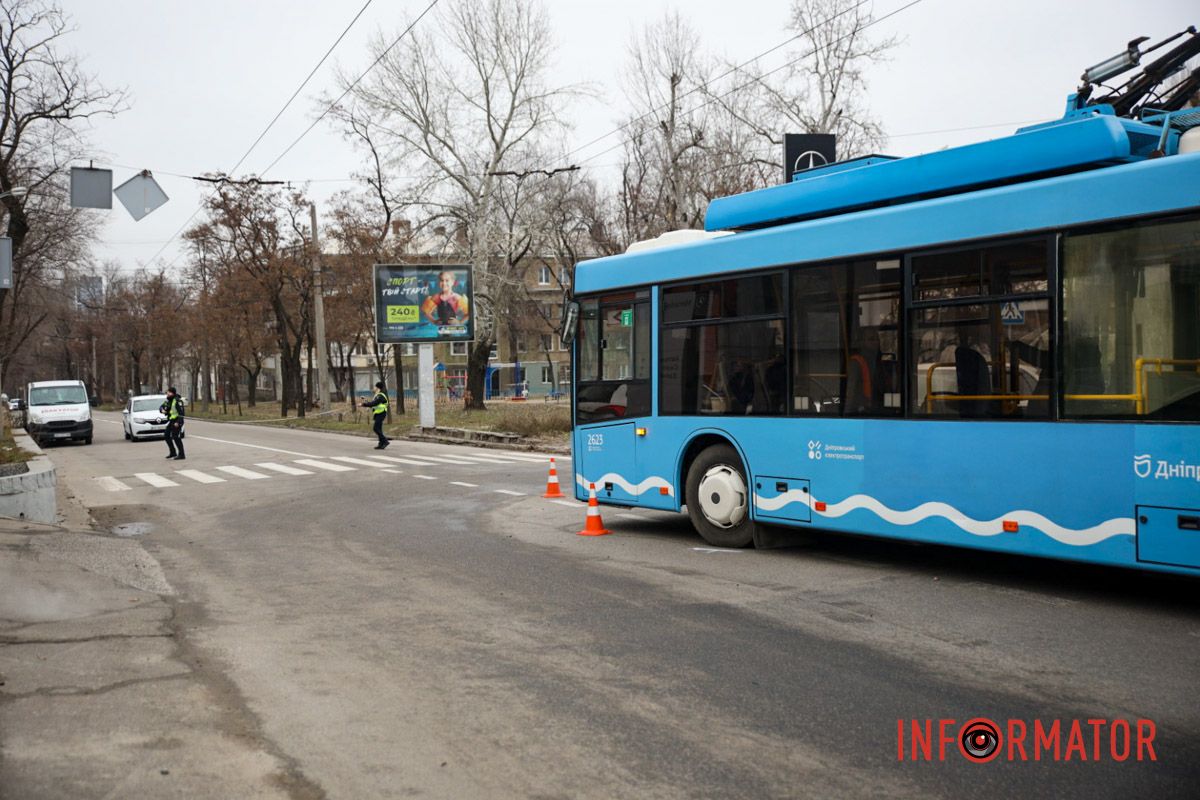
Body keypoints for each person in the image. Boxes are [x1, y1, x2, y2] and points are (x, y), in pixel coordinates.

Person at [361, 381, 390, 449]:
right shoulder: (377, 396)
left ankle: (385, 441)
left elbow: (374, 404)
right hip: (378, 413)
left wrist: (363, 404)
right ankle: (381, 444)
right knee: (379, 428)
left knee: (376, 428)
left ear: (377, 388)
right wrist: (365, 401)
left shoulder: (380, 396)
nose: (373, 388)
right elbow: (373, 403)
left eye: (374, 387)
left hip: (381, 413)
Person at [160, 386, 185, 460]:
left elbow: (181, 413)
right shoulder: (168, 400)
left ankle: (181, 454)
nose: (167, 393)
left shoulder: (177, 401)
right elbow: (161, 407)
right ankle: (173, 452)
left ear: (172, 393)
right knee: (166, 435)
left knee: (176, 437)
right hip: (171, 421)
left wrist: (178, 422)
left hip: (177, 421)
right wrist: (162, 410)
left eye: (168, 392)